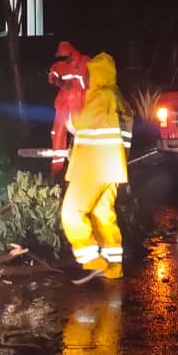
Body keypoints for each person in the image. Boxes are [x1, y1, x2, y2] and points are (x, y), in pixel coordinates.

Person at [61, 52, 133, 283]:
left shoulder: (99, 95)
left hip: (92, 167)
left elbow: (78, 124)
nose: (87, 78)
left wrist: (69, 110)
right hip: (113, 169)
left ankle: (92, 260)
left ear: (96, 74)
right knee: (103, 216)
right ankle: (113, 267)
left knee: (71, 214)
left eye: (89, 73)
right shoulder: (118, 99)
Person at [48, 41, 90, 178]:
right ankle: (57, 170)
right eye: (61, 57)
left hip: (80, 105)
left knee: (83, 133)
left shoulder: (84, 61)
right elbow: (52, 75)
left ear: (71, 54)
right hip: (64, 105)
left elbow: (92, 79)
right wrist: (60, 83)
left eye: (64, 57)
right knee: (57, 133)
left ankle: (83, 167)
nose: (62, 60)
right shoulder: (60, 66)